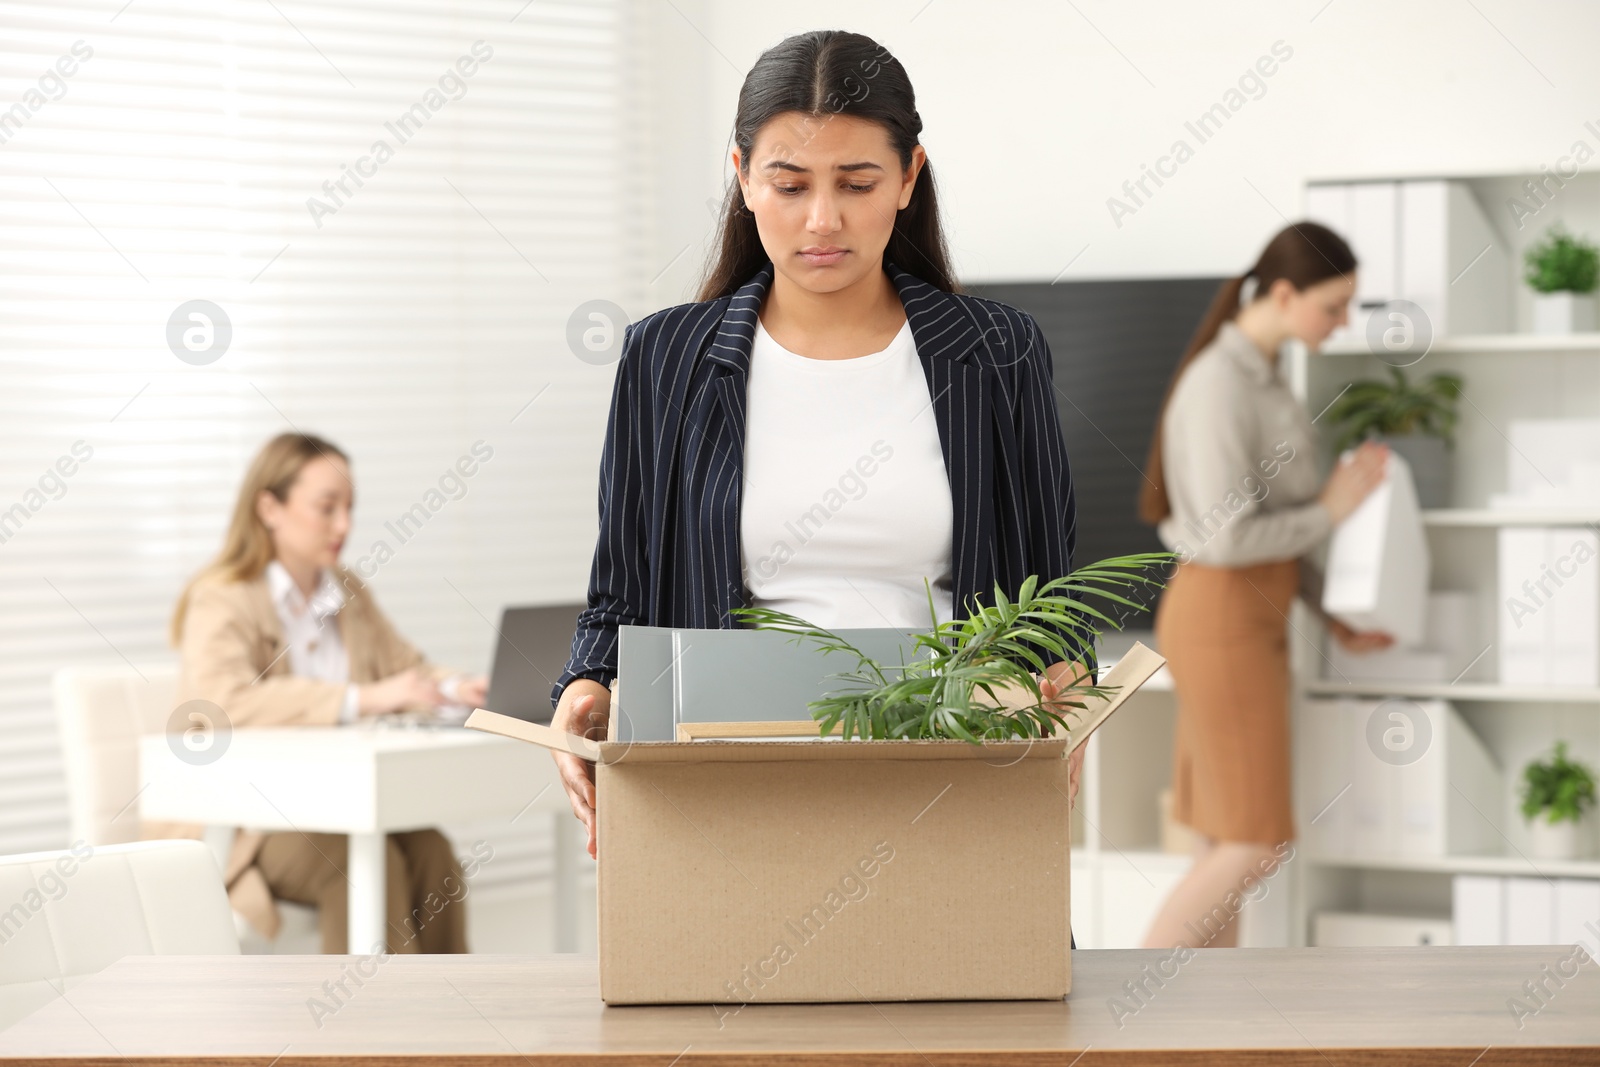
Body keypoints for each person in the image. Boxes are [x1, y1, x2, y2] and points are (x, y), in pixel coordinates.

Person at [548, 29, 1091, 861]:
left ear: (908, 178)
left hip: (954, 771)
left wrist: (1068, 688)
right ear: (741, 177)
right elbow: (619, 592)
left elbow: (1051, 593)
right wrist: (584, 684)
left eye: (857, 182)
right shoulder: (665, 360)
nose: (822, 219)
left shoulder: (997, 351)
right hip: (729, 781)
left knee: (975, 988)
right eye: (790, 183)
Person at [1138, 221, 1394, 950]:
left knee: (1222, 837)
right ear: (1285, 294)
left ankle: (1200, 1038)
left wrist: (1331, 609)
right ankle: (1124, 1025)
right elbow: (1226, 537)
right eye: (1334, 306)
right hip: (1220, 616)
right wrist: (1333, 508)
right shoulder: (1221, 382)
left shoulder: (1262, 370)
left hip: (1248, 613)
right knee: (1255, 842)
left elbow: (1275, 524)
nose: (1342, 323)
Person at [161, 431, 486, 953]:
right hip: (251, 824)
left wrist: (454, 686)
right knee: (367, 867)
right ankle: (374, 1032)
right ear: (270, 507)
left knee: (433, 853)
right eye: (326, 508)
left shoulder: (348, 591)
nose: (344, 526)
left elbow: (407, 670)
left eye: (350, 508)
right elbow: (224, 702)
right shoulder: (221, 598)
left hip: (344, 803)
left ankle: (449, 1025)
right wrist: (363, 699)